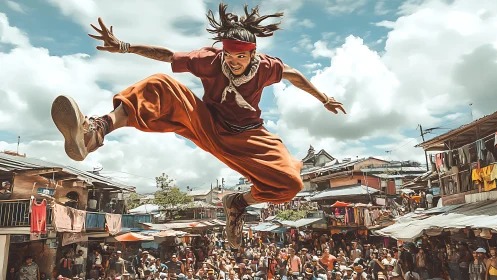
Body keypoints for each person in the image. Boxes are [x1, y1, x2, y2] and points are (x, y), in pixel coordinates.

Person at [50, 2, 346, 249]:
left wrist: (324, 98)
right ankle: (95, 131)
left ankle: (238, 203)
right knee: (160, 85)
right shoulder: (211, 60)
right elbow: (167, 55)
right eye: (229, 56)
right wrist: (125, 46)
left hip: (251, 135)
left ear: (253, 54)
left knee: (290, 183)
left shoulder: (267, 66)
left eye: (240, 57)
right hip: (210, 124)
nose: (233, 62)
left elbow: (294, 75)